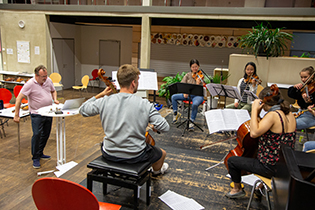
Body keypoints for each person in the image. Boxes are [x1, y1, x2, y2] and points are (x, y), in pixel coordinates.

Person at [79, 64, 170, 175]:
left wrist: (102, 94)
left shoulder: (105, 101)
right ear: (133, 83)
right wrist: (155, 128)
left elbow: (83, 109)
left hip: (109, 153)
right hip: (135, 155)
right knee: (162, 154)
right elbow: (165, 127)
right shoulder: (144, 104)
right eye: (138, 80)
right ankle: (156, 173)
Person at [225, 84, 296, 199]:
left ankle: (237, 189)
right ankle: (260, 187)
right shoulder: (290, 114)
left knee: (232, 161)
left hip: (270, 167)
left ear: (264, 103)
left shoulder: (273, 115)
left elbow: (253, 133)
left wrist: (254, 110)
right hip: (286, 166)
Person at [14, 65, 59, 169]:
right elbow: (19, 98)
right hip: (36, 113)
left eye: (46, 76)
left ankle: (40, 152)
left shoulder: (48, 80)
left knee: (46, 134)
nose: (45, 78)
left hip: (48, 112)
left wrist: (55, 99)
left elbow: (53, 90)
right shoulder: (29, 84)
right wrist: (17, 115)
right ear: (36, 76)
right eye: (43, 76)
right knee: (37, 134)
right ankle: (35, 157)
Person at [171, 59, 204, 130]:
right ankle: (175, 114)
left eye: (196, 66)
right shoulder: (187, 75)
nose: (194, 68)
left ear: (198, 66)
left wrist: (198, 83)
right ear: (190, 67)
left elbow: (200, 89)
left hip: (197, 96)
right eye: (193, 67)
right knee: (173, 97)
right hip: (188, 95)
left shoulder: (200, 76)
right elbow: (182, 85)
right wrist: (184, 92)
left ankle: (191, 122)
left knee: (195, 104)